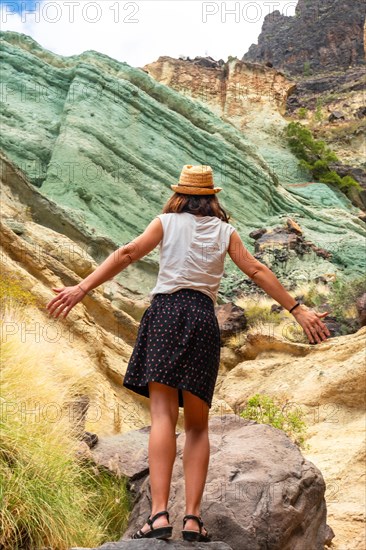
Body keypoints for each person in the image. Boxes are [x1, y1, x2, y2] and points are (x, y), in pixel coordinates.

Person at [46, 164, 331, 542]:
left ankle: (159, 514)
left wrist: (81, 289)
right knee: (197, 425)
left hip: (165, 314)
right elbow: (257, 270)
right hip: (201, 319)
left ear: (179, 194)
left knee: (163, 416)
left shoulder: (165, 222)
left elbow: (128, 252)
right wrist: (298, 310)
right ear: (213, 197)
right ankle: (193, 519)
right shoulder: (225, 231)